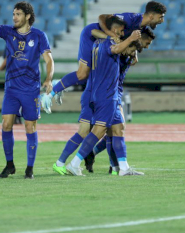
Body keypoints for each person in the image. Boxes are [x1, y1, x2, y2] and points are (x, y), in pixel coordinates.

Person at [0, 0, 54, 180]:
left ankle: (29, 168)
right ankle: (10, 165)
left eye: (18, 14)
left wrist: (48, 79)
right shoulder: (7, 32)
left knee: (30, 128)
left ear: (28, 16)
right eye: (13, 14)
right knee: (6, 124)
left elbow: (49, 60)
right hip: (11, 89)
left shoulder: (39, 36)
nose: (14, 17)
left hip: (30, 90)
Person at [41, 1, 166, 112]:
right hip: (92, 36)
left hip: (105, 44)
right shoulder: (131, 18)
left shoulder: (142, 27)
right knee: (83, 74)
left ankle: (62, 84)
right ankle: (49, 95)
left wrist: (134, 52)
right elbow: (102, 17)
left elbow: (130, 40)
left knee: (94, 76)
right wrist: (110, 35)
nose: (162, 21)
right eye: (161, 17)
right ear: (151, 16)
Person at [52, 16, 128, 175]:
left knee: (107, 130)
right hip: (100, 94)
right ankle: (73, 162)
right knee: (99, 131)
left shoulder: (97, 44)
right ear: (113, 29)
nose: (122, 34)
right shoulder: (108, 44)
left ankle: (117, 168)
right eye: (120, 31)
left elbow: (93, 31)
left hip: (94, 93)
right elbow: (96, 33)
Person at [65, 30, 144, 176]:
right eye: (131, 50)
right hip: (107, 94)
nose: (131, 54)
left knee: (118, 128)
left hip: (111, 94)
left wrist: (133, 52)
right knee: (99, 130)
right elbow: (99, 33)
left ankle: (123, 168)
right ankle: (74, 163)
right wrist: (130, 39)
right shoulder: (111, 48)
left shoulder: (115, 53)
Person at [84, 26, 156, 174]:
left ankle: (96, 155)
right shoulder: (120, 48)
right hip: (109, 92)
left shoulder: (129, 53)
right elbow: (97, 33)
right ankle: (113, 165)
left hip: (115, 91)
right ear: (138, 38)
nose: (147, 47)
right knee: (113, 130)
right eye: (146, 43)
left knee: (115, 130)